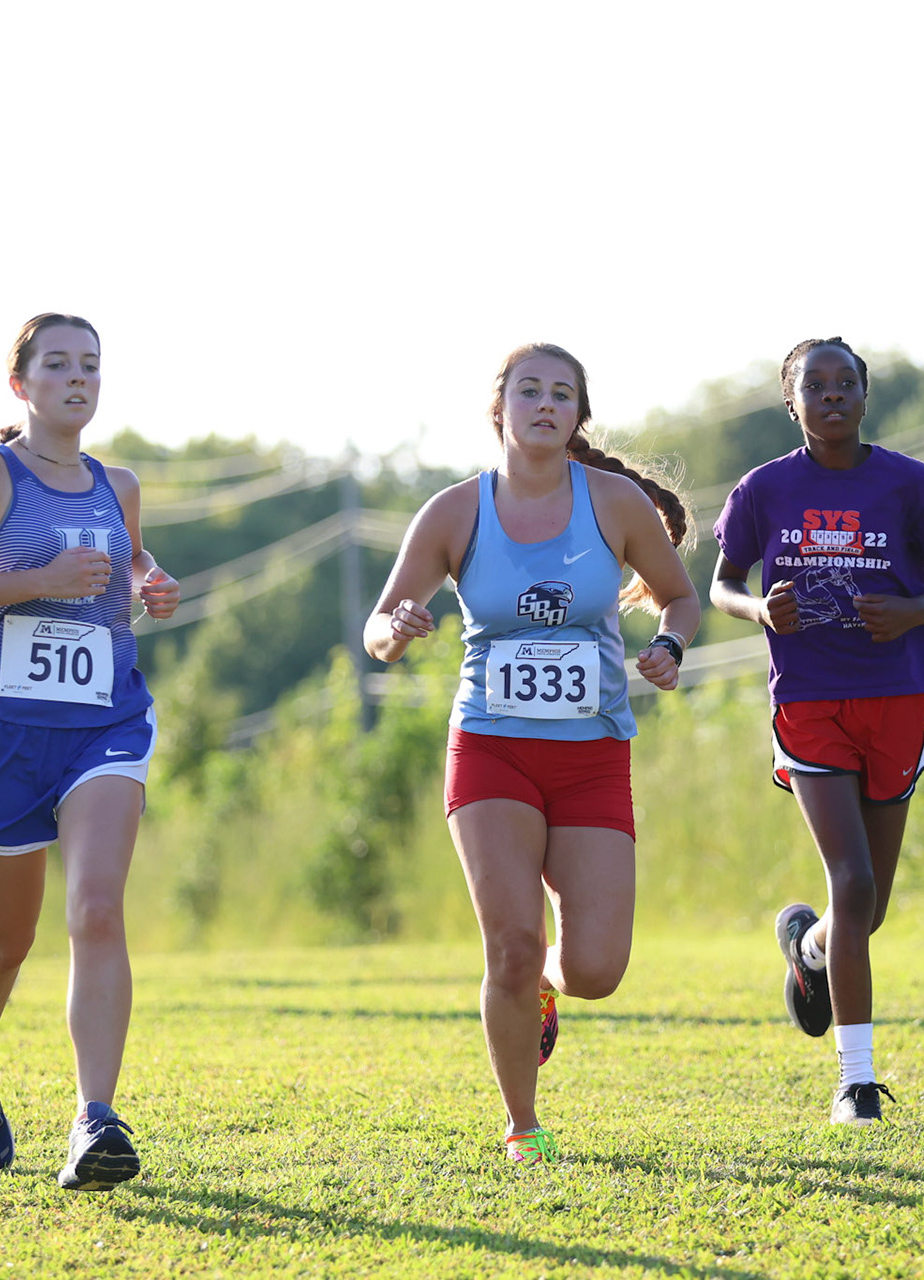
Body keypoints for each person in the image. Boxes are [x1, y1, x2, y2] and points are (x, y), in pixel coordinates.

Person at [364, 343, 698, 1166]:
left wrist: (669, 647)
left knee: (597, 967)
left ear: (578, 415)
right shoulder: (453, 511)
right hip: (490, 752)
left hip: (591, 755)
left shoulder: (615, 504)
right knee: (509, 946)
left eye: (561, 394)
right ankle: (523, 1124)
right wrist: (397, 630)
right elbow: (378, 628)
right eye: (529, 391)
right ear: (499, 409)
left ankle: (549, 986)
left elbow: (682, 598)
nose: (545, 404)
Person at [0, 313, 180, 1191]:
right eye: (57, 364)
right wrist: (38, 582)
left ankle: (95, 1117)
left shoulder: (116, 483)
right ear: (20, 384)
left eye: (90, 365)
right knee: (4, 940)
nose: (78, 378)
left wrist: (150, 583)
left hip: (103, 721)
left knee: (97, 910)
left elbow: (128, 561)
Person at [709, 337, 924, 1126]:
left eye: (845, 383)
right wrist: (760, 609)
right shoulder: (763, 491)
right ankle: (855, 1084)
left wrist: (917, 609)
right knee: (851, 884)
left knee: (867, 908)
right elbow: (722, 585)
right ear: (791, 403)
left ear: (865, 397)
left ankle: (811, 949)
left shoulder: (906, 483)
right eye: (813, 386)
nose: (831, 396)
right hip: (811, 699)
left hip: (895, 696)